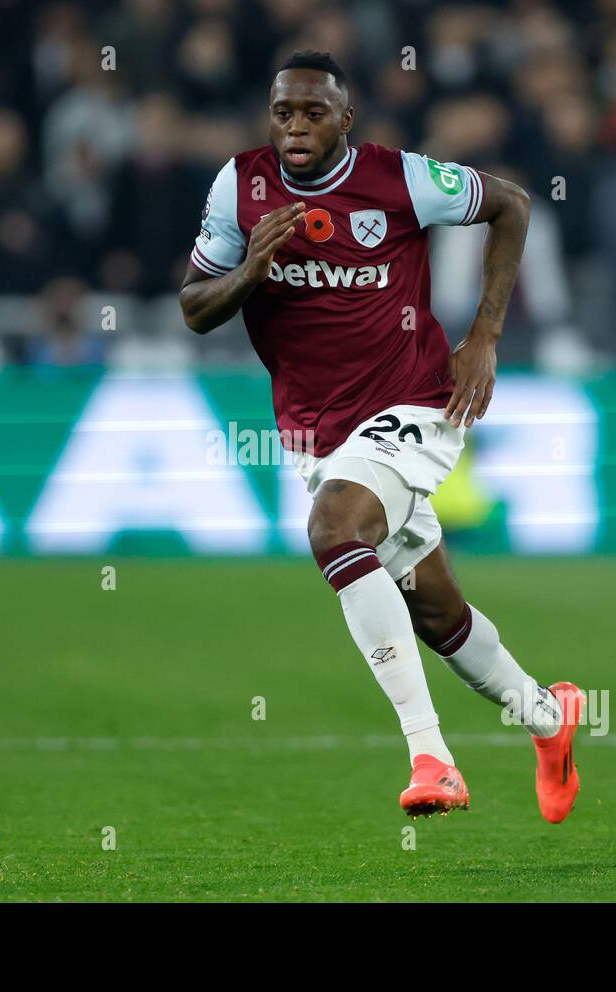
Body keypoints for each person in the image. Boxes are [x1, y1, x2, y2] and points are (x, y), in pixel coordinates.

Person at [180, 51, 585, 822]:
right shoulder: (239, 187)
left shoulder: (399, 179)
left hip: (417, 401)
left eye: (313, 113)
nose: (295, 127)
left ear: (346, 119)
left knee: (334, 529)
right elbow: (195, 306)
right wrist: (251, 268)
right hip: (315, 429)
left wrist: (485, 335)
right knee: (436, 613)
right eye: (283, 113)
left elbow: (512, 205)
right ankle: (548, 716)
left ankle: (430, 757)